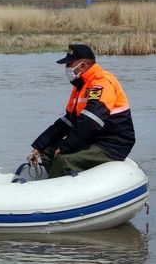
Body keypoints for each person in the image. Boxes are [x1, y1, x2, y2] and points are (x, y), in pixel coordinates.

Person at [30, 44, 135, 178]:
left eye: (69, 64)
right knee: (47, 151)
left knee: (64, 159)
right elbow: (67, 122)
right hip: (93, 140)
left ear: (83, 65)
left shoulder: (101, 84)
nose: (66, 68)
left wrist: (65, 147)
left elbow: (90, 123)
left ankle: (57, 188)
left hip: (111, 145)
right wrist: (39, 146)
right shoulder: (80, 86)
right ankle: (63, 179)